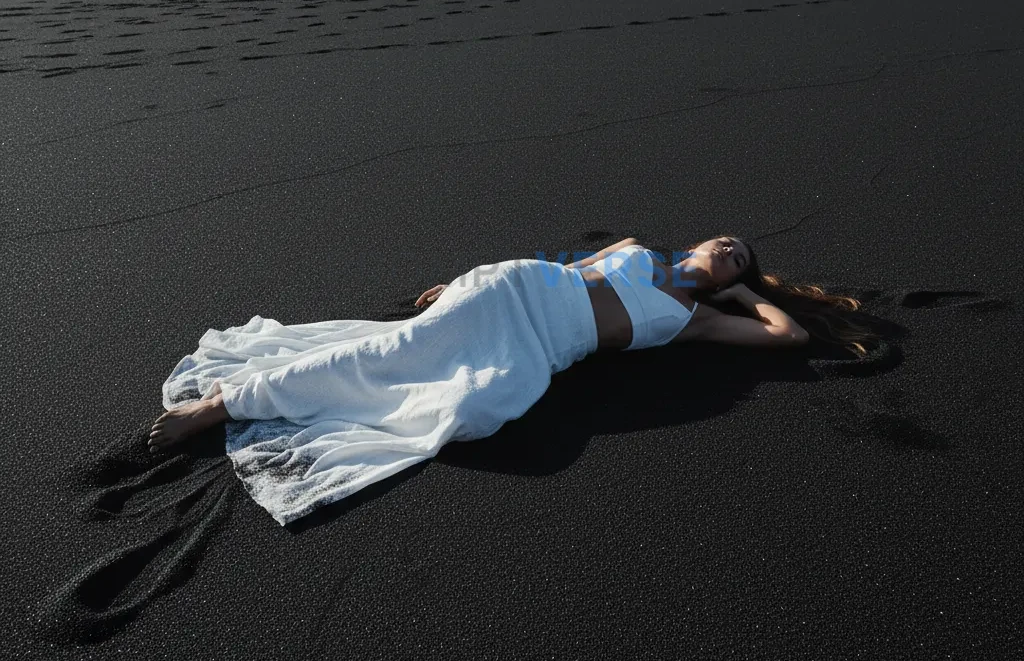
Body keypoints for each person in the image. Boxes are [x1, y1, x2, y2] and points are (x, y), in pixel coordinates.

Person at [149, 236, 878, 525]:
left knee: (474, 409)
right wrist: (457, 281)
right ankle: (220, 405)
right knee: (390, 351)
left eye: (738, 257)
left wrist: (746, 296)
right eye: (724, 241)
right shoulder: (638, 247)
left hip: (546, 345)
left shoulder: (700, 318)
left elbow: (794, 337)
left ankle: (285, 405)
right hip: (514, 289)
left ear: (735, 277)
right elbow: (563, 264)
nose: (725, 248)